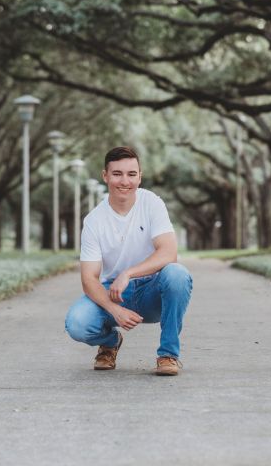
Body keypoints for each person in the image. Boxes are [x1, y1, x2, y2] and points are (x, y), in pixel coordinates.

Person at [64, 146, 192, 376]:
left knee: (177, 273)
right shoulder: (94, 220)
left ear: (140, 177)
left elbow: (168, 253)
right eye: (117, 174)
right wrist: (114, 310)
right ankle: (110, 342)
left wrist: (128, 273)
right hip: (114, 293)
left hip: (153, 291)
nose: (125, 181)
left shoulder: (152, 203)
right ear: (105, 176)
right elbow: (88, 279)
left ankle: (168, 354)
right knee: (77, 324)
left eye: (132, 174)